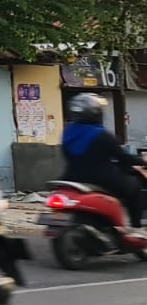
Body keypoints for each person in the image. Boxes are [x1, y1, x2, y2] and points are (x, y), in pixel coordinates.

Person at [61, 92, 146, 232]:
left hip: (71, 177)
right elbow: (123, 157)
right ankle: (136, 228)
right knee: (135, 187)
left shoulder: (67, 132)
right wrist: (142, 160)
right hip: (102, 179)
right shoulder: (101, 135)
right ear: (96, 113)